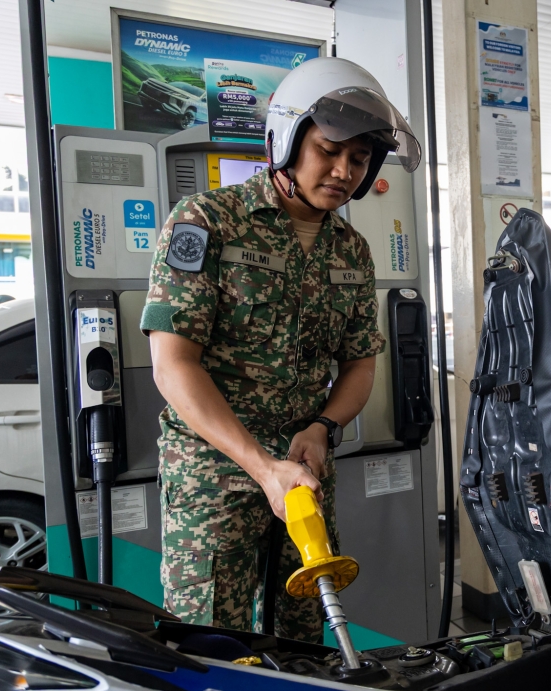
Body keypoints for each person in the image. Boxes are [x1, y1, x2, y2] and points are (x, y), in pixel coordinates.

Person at [140, 57, 421, 641]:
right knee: (210, 639)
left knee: (302, 635)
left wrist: (323, 425)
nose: (344, 171)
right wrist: (260, 465)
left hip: (304, 473)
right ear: (287, 140)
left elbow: (360, 364)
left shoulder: (352, 250)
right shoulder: (208, 222)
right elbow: (173, 365)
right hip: (214, 476)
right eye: (330, 151)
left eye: (360, 159)